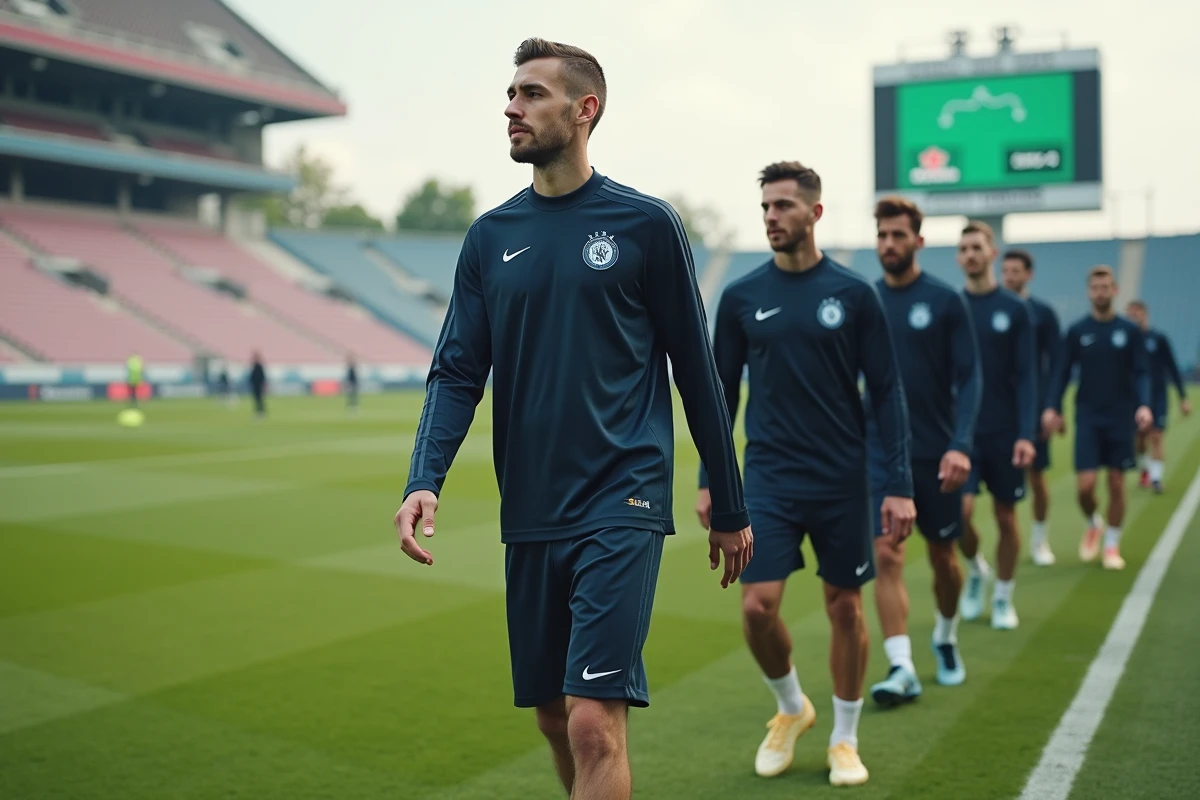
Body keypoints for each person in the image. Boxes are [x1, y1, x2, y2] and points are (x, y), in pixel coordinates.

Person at [394, 38, 753, 800]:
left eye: (530, 94)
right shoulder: (489, 238)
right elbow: (457, 370)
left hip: (623, 496)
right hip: (531, 506)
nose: (511, 108)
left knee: (594, 721)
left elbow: (698, 372)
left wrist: (729, 504)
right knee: (555, 717)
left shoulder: (646, 224)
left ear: (584, 110)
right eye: (510, 94)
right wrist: (424, 478)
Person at [697, 162, 915, 787]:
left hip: (843, 478)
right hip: (768, 477)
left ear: (814, 213)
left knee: (845, 607)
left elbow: (888, 392)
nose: (771, 216)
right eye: (766, 206)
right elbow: (720, 397)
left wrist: (899, 484)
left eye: (784, 206)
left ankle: (845, 739)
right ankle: (792, 707)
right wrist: (710, 480)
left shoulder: (854, 295)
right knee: (757, 607)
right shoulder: (741, 297)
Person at [865, 196, 981, 707]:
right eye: (882, 235)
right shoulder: (865, 301)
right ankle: (901, 665)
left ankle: (946, 636)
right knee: (886, 553)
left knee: (943, 558)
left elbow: (971, 379)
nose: (889, 244)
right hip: (880, 454)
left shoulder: (944, 301)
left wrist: (961, 445)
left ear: (918, 240)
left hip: (937, 454)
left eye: (898, 235)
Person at [955, 222, 1037, 630]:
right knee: (959, 513)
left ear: (992, 253)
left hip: (1004, 432)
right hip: (961, 434)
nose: (970, 254)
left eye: (976, 247)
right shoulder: (951, 307)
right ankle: (976, 570)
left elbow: (1027, 377)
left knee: (1006, 517)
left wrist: (1026, 434)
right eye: (963, 248)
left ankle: (1003, 596)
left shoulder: (1014, 309)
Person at [1044, 267, 1153, 570]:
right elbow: (1062, 372)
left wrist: (1143, 405)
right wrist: (1053, 407)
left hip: (1120, 416)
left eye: (1105, 287)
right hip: (1088, 416)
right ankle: (1094, 522)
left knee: (1116, 483)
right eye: (1095, 287)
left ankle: (1112, 545)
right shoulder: (1077, 331)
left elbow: (1141, 371)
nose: (1100, 292)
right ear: (1088, 292)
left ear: (1114, 290)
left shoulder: (1128, 331)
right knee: (1085, 487)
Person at [1001, 249, 1063, 565]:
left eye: (1016, 271)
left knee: (1036, 477)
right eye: (1006, 270)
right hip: (998, 410)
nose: (1009, 276)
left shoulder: (1043, 313)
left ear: (1029, 274)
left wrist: (1052, 406)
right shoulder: (992, 307)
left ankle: (1039, 540)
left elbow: (1057, 364)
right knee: (997, 484)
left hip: (1034, 408)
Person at [1125, 300, 1191, 492]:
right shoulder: (1127, 340)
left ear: (1145, 314)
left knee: (1156, 435)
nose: (1134, 318)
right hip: (1135, 397)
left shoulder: (1158, 338)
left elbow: (1172, 367)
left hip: (1157, 396)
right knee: (1139, 439)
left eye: (1137, 314)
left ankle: (1156, 479)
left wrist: (1183, 397)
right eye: (1131, 315)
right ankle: (1145, 469)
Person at [248, 352, 267, 419]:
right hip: (255, 386)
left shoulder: (259, 366)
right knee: (257, 399)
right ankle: (258, 411)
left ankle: (261, 411)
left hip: (258, 386)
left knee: (259, 399)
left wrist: (263, 385)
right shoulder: (254, 366)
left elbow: (262, 377)